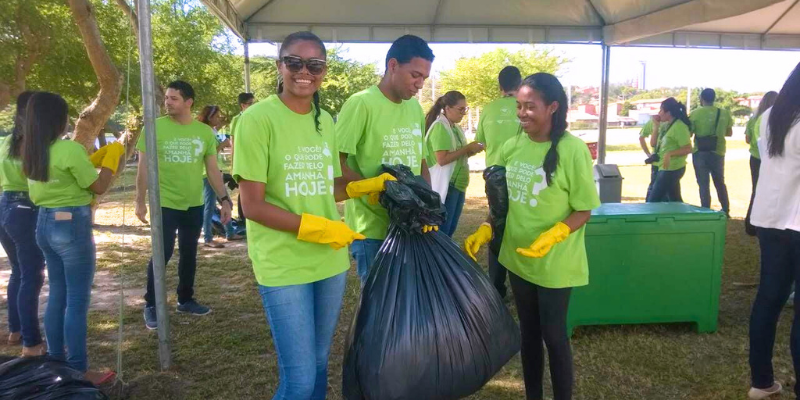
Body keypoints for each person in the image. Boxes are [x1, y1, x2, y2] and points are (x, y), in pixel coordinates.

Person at [233, 31, 397, 400]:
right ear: (279, 66)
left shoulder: (326, 120)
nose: (304, 71)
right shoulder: (257, 120)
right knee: (300, 380)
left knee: (321, 365)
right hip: (283, 262)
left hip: (329, 261)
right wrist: (314, 227)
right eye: (294, 62)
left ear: (324, 71)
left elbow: (330, 185)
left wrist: (366, 186)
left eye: (315, 65)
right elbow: (252, 206)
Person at [464, 73, 600, 400]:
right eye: (519, 106)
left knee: (554, 337)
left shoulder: (572, 150)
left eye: (530, 106)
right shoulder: (513, 146)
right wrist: (487, 226)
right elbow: (502, 202)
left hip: (554, 262)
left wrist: (555, 234)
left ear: (552, 107)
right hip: (517, 256)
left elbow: (584, 209)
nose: (522, 113)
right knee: (528, 334)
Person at [22, 91, 122, 385]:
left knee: (58, 294)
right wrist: (112, 158)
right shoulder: (70, 150)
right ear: (56, 119)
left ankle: (57, 362)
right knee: (77, 300)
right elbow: (99, 186)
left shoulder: (31, 150)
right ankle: (78, 370)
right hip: (70, 225)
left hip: (43, 224)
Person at [336, 34, 437, 285]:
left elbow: (420, 160)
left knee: (407, 302)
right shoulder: (361, 104)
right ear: (393, 65)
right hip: (373, 230)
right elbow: (335, 161)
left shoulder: (414, 108)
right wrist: (375, 189)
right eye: (415, 75)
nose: (420, 84)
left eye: (424, 78)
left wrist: (427, 205)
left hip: (410, 225)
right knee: (380, 309)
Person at [135, 80, 232, 330]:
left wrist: (225, 199)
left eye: (174, 98)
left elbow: (212, 169)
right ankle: (152, 304)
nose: (167, 102)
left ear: (189, 102)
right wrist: (139, 201)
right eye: (166, 98)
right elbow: (143, 167)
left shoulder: (202, 132)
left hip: (193, 204)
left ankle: (185, 299)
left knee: (189, 253)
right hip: (164, 204)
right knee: (162, 253)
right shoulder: (154, 128)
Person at [747, 62, 800, 400]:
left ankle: (761, 382)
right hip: (795, 220)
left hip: (770, 220)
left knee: (768, 300)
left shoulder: (769, 118)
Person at [0, 91, 46, 357]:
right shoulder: (35, 144)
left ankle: (15, 330)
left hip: (5, 206)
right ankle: (31, 343)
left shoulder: (6, 141)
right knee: (31, 274)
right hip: (26, 209)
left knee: (19, 271)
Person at [474, 65, 522, 299]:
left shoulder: (488, 109)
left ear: (500, 86)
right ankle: (522, 282)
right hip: (523, 173)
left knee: (496, 224)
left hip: (495, 177)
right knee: (522, 226)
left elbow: (481, 141)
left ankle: (496, 285)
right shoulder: (526, 107)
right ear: (520, 84)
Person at [424, 91, 483, 237]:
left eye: (466, 109)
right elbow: (442, 159)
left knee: (450, 230)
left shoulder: (455, 128)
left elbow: (458, 154)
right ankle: (439, 259)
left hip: (458, 184)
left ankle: (443, 258)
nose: (463, 113)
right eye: (461, 109)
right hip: (447, 185)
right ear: (447, 108)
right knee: (443, 231)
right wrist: (467, 148)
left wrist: (472, 150)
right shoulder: (440, 127)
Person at [197, 105, 242, 247]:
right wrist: (222, 145)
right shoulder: (205, 132)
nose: (219, 118)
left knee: (226, 203)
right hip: (207, 174)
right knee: (209, 206)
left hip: (217, 172)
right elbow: (207, 153)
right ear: (209, 117)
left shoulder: (214, 130)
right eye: (216, 116)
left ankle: (230, 233)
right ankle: (208, 238)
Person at [689, 88, 733, 216]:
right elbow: (729, 133)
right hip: (718, 151)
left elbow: (690, 133)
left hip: (700, 151)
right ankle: (725, 209)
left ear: (701, 99)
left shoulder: (695, 113)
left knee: (703, 183)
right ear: (714, 98)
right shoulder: (724, 113)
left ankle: (705, 210)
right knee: (719, 181)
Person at [744, 91, 779, 236]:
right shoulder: (774, 119)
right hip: (768, 160)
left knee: (755, 191)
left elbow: (747, 139)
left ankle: (750, 224)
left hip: (755, 158)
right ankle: (761, 225)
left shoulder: (754, 119)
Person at [646, 98, 693, 203]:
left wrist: (670, 154)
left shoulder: (679, 126)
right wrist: (656, 126)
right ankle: (682, 218)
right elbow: (653, 144)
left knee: (653, 200)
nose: (659, 113)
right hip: (664, 167)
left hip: (672, 169)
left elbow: (689, 148)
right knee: (674, 200)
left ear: (669, 113)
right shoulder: (667, 125)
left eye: (661, 110)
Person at [229, 92, 255, 222]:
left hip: (255, 158)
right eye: (251, 103)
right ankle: (242, 217)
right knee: (243, 189)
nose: (253, 105)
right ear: (243, 105)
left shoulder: (257, 117)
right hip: (242, 159)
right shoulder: (236, 120)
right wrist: (233, 164)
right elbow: (233, 142)